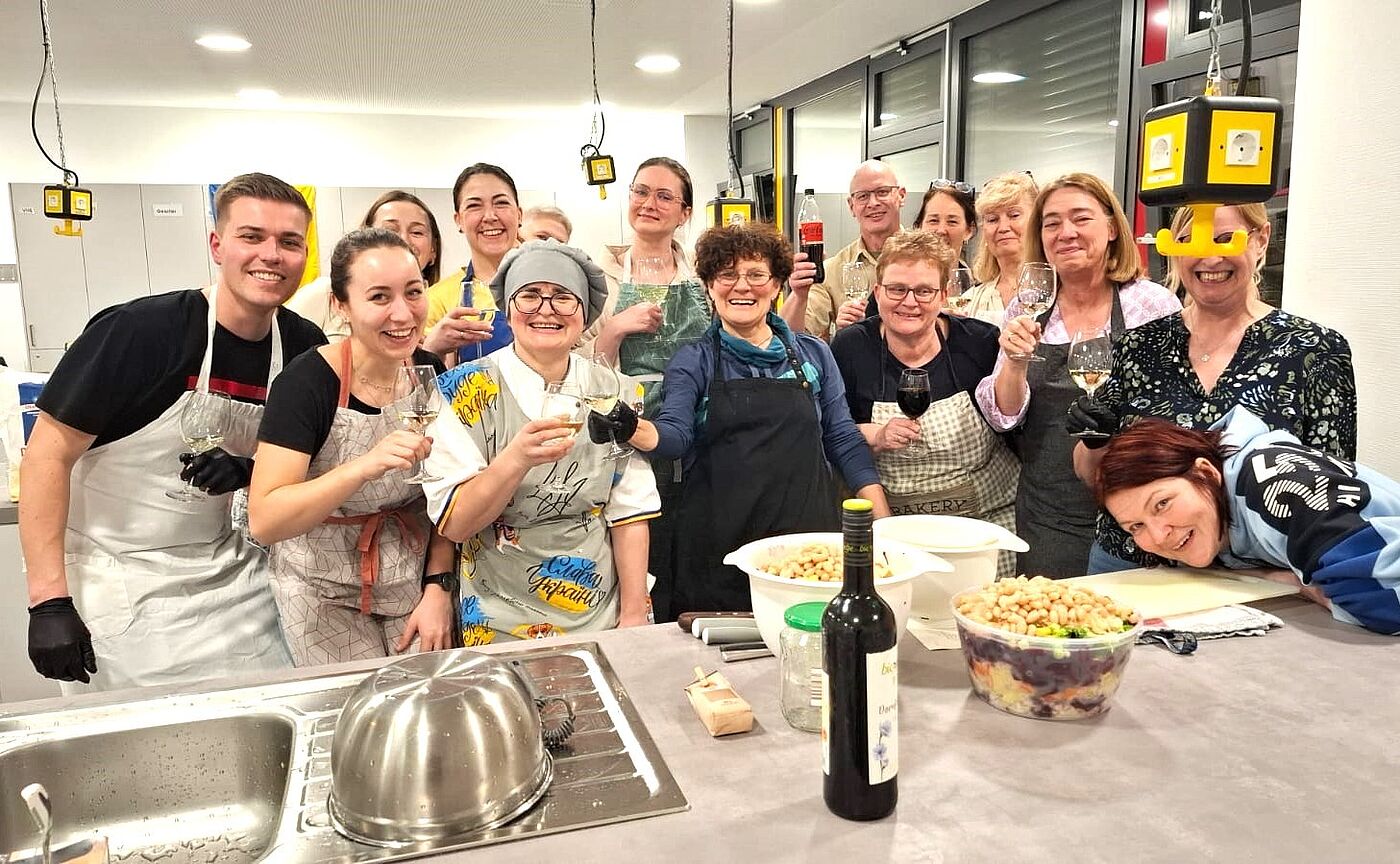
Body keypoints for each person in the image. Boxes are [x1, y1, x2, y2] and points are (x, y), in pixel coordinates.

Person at [19, 172, 327, 691]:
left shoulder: (303, 347)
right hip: (120, 575)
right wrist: (48, 600)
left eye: (289, 242)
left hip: (231, 573)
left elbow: (319, 458)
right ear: (217, 244)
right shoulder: (139, 332)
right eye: (252, 236)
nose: (271, 255)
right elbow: (46, 456)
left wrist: (252, 471)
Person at [603, 222, 890, 620]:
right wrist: (632, 428)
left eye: (756, 275)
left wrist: (884, 522)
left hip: (806, 547)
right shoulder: (695, 360)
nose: (742, 286)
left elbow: (841, 438)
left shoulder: (813, 356)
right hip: (719, 550)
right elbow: (675, 436)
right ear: (709, 286)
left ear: (776, 286)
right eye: (727, 275)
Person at [1070, 203, 1356, 573]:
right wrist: (1095, 441)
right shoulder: (1138, 346)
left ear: (1261, 240)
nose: (1208, 256)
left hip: (1258, 575)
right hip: (1131, 566)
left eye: (1224, 239)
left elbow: (1332, 492)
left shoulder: (1314, 349)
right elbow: (1090, 473)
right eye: (1190, 242)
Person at [423, 239, 659, 645]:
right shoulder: (461, 391)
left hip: (599, 603)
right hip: (496, 608)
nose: (546, 310)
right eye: (530, 295)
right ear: (508, 311)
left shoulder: (614, 391)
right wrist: (514, 460)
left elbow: (630, 511)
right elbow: (457, 523)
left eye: (563, 298)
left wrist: (634, 613)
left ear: (584, 313)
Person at [248, 228, 455, 665]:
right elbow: (266, 519)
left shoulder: (429, 371)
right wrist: (363, 467)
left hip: (409, 580)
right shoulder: (307, 384)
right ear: (340, 306)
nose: (402, 313)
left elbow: (444, 493)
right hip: (320, 591)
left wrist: (439, 587)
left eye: (413, 292)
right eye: (379, 297)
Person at [975, 172, 1180, 578]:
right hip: (1048, 512)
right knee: (1052, 625)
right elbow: (1005, 415)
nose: (1066, 232)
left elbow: (1176, 413)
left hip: (1138, 512)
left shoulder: (1152, 306)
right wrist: (1014, 362)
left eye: (1081, 218)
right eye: (1052, 223)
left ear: (1111, 228)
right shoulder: (1028, 307)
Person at [1095, 409, 1400, 635]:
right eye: (1136, 526)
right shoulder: (1216, 510)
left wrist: (1297, 584)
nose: (1159, 536)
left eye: (1162, 504)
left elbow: (1384, 600)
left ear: (1205, 473)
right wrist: (1271, 574)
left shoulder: (1274, 486)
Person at [830, 230, 1018, 577]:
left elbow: (1013, 420)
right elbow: (834, 434)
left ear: (944, 295)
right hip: (894, 529)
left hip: (982, 532)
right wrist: (876, 435)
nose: (909, 302)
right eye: (897, 289)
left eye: (924, 291)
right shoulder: (851, 348)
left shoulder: (979, 344)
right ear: (877, 291)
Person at [577, 156, 710, 615]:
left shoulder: (704, 274)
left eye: (664, 196)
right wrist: (614, 329)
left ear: (685, 212)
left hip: (698, 429)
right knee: (636, 549)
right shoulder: (600, 276)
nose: (648, 204)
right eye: (640, 192)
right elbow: (576, 371)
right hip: (622, 434)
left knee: (690, 550)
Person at [286, 191, 442, 342]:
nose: (403, 240)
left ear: (433, 249)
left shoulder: (438, 304)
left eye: (416, 232)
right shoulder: (323, 293)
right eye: (389, 231)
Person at [780, 159, 906, 340]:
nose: (873, 203)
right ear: (851, 205)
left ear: (901, 195)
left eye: (882, 192)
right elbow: (789, 339)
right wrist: (799, 296)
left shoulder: (927, 258)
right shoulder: (832, 270)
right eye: (863, 196)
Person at [422, 163, 521, 366]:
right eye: (474, 206)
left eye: (501, 203)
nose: (490, 216)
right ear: (458, 220)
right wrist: (434, 351)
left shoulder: (548, 286)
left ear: (519, 214)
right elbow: (425, 384)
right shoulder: (436, 299)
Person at [963, 171, 1039, 326]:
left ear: (1037, 221)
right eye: (992, 219)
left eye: (1014, 215)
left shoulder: (1058, 292)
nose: (1003, 227)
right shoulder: (970, 300)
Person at [912, 180, 977, 295]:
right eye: (933, 221)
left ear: (969, 230)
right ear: (919, 226)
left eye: (952, 222)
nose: (941, 230)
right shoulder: (895, 280)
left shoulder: (978, 290)